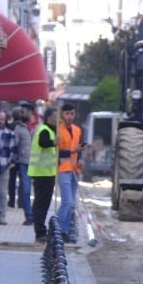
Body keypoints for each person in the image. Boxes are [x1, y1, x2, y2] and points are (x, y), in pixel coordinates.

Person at [29, 107, 59, 243]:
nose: (57, 119)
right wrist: (54, 143)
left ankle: (40, 230)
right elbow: (43, 142)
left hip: (47, 173)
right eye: (55, 117)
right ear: (48, 118)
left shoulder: (51, 131)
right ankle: (40, 232)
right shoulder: (44, 130)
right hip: (42, 174)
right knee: (41, 204)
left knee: (43, 204)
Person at [56, 103, 84, 243]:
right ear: (62, 115)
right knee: (67, 201)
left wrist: (81, 159)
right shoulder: (58, 131)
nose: (70, 116)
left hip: (75, 169)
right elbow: (57, 152)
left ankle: (65, 231)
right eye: (67, 114)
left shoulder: (78, 130)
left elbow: (79, 149)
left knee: (72, 203)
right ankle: (57, 229)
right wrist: (72, 152)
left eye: (72, 113)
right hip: (63, 169)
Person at [10, 105, 34, 225]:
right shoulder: (19, 129)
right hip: (23, 162)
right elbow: (14, 145)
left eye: (27, 112)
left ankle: (33, 214)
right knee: (26, 190)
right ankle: (29, 216)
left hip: (35, 163)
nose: (27, 114)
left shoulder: (33, 127)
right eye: (24, 112)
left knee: (32, 190)